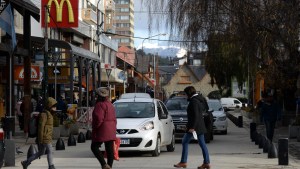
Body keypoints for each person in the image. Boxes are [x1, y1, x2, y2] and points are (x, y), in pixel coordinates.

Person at [174, 86, 210, 169]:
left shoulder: (194, 102)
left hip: (195, 127)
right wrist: (187, 125)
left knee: (184, 141)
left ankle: (183, 162)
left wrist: (192, 127)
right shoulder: (199, 100)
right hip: (200, 126)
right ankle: (206, 163)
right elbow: (195, 115)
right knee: (202, 144)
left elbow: (196, 116)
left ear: (189, 93)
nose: (185, 96)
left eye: (185, 94)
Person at [21, 97, 57, 169]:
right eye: (54, 106)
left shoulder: (49, 114)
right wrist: (40, 140)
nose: (55, 108)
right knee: (50, 150)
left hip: (47, 136)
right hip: (44, 137)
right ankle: (51, 166)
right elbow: (41, 128)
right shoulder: (44, 114)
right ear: (49, 106)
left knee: (41, 152)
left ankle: (26, 162)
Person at [91, 87, 117, 169]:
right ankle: (109, 166)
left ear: (99, 96)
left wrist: (95, 128)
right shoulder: (110, 104)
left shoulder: (100, 105)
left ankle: (104, 165)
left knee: (94, 147)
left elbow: (98, 119)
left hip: (102, 129)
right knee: (109, 149)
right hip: (111, 129)